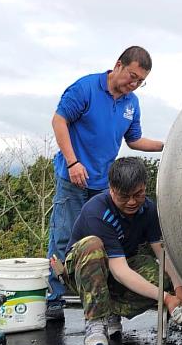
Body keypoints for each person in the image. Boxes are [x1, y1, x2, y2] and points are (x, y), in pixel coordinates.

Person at [46, 47, 164, 320]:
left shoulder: (131, 103)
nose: (133, 84)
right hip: (73, 177)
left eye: (140, 81)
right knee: (64, 237)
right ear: (118, 65)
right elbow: (59, 120)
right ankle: (54, 298)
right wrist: (73, 162)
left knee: (108, 242)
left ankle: (105, 301)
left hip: (104, 183)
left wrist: (167, 146)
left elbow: (134, 140)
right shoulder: (86, 89)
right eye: (132, 76)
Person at [51, 157, 182, 345]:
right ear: (111, 189)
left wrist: (180, 289)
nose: (132, 202)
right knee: (92, 246)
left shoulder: (148, 209)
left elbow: (161, 252)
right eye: (124, 196)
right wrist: (166, 298)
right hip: (84, 270)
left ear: (145, 186)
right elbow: (119, 271)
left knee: (164, 278)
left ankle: (110, 310)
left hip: (121, 266)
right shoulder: (97, 211)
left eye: (138, 194)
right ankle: (95, 322)